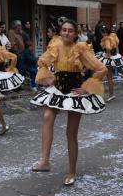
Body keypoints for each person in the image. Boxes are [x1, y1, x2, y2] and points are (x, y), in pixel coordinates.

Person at [30, 19, 107, 186]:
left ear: (75, 34)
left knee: (71, 132)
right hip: (58, 90)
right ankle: (45, 160)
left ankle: (72, 171)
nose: (66, 33)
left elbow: (102, 68)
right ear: (60, 31)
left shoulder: (80, 49)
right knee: (48, 116)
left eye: (70, 30)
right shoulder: (55, 45)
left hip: (74, 93)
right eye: (64, 30)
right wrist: (49, 78)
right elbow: (42, 63)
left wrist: (86, 88)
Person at [98, 26, 123, 101]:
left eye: (102, 33)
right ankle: (110, 94)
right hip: (113, 56)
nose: (101, 34)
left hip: (109, 57)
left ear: (104, 33)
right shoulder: (113, 36)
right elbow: (116, 44)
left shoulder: (107, 39)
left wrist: (107, 52)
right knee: (108, 76)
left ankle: (110, 94)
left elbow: (108, 48)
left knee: (108, 77)